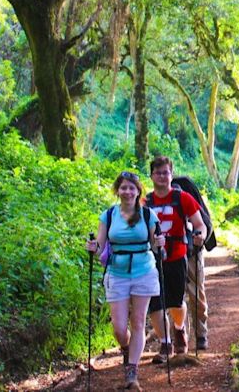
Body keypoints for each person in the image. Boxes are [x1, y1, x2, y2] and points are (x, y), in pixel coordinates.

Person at [86, 171, 164, 390]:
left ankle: (132, 371)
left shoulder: (148, 215)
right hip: (117, 272)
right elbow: (100, 245)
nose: (127, 192)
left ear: (138, 191)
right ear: (117, 191)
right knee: (119, 328)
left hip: (144, 271)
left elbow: (156, 245)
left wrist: (160, 242)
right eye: (123, 188)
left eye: (132, 188)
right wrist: (93, 248)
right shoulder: (109, 215)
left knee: (138, 321)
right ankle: (127, 348)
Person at [146, 156, 207, 363]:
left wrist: (199, 235)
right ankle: (165, 343)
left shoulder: (183, 198)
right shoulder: (145, 202)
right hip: (152, 259)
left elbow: (199, 223)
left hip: (177, 256)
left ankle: (179, 329)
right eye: (158, 172)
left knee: (176, 301)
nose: (162, 176)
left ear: (171, 174)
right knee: (155, 303)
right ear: (151, 175)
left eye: (166, 172)